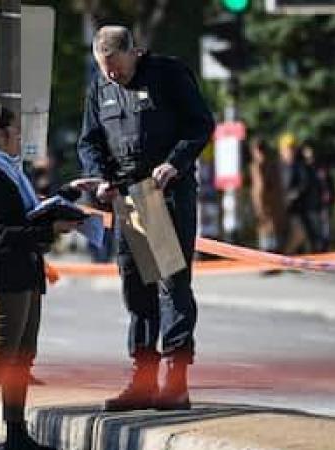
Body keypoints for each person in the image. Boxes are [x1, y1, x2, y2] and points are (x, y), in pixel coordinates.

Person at [74, 25, 215, 411]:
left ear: (134, 52)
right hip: (127, 197)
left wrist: (175, 163)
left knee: (171, 284)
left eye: (117, 68)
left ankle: (175, 379)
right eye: (105, 69)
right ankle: (143, 377)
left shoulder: (168, 74)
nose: (112, 76)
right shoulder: (99, 86)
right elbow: (89, 141)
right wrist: (100, 177)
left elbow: (200, 124)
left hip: (163, 193)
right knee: (136, 288)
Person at [0, 106, 77, 450]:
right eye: (16, 131)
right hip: (3, 274)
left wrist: (66, 197)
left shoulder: (11, 171)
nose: (21, 138)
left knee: (22, 354)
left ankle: (16, 432)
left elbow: (27, 213)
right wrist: (49, 226)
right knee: (0, 354)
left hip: (26, 270)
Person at [249, 138, 286, 252]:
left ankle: (268, 262)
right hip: (274, 205)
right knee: (273, 233)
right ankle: (273, 259)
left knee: (266, 233)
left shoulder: (258, 166)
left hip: (266, 206)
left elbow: (260, 188)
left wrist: (259, 207)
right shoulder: (273, 164)